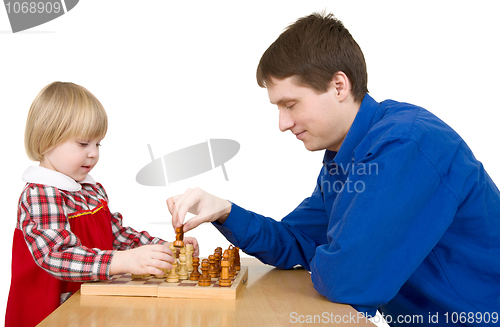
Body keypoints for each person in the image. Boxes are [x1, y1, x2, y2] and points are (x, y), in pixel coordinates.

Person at [167, 12, 500, 327]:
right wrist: (225, 211)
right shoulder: (342, 161)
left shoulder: (404, 144)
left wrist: (332, 254)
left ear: (339, 86)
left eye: (290, 103)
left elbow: (350, 279)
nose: (283, 123)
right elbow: (295, 242)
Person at [5, 82, 199, 327]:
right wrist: (121, 262)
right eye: (83, 143)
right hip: (48, 314)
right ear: (47, 141)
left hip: (88, 307)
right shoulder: (40, 193)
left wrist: (162, 249)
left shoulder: (90, 190)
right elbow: (56, 254)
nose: (93, 153)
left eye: (98, 144)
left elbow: (117, 236)